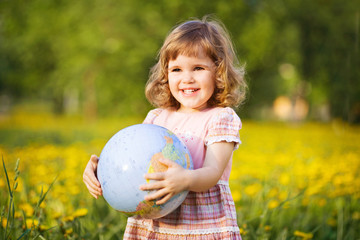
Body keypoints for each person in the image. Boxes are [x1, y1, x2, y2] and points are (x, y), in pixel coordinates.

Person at [83, 16, 247, 239]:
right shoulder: (157, 118)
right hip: (155, 221)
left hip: (199, 223)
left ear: (218, 72)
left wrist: (185, 179)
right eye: (176, 69)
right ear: (165, 73)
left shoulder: (220, 118)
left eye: (198, 68)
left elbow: (212, 173)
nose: (187, 78)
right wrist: (99, 169)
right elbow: (133, 161)